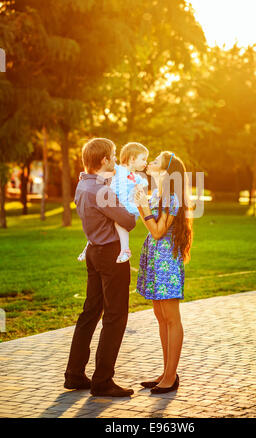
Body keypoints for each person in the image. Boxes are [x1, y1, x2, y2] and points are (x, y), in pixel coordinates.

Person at [64, 138, 136, 397]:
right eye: (114, 156)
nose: (116, 160)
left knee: (90, 312)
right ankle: (103, 380)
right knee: (115, 316)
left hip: (94, 252)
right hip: (110, 255)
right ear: (104, 160)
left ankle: (74, 374)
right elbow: (128, 221)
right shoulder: (101, 192)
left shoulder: (83, 186)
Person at [134, 151, 193, 394]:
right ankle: (166, 372)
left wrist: (144, 207)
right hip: (156, 258)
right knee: (160, 315)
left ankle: (171, 377)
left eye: (156, 161)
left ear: (166, 171)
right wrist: (142, 206)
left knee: (171, 317)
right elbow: (151, 226)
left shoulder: (172, 197)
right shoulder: (160, 193)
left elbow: (157, 231)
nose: (150, 163)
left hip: (166, 261)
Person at [77, 142, 149, 263]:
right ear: (132, 159)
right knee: (120, 224)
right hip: (120, 202)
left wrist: (141, 186)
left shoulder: (135, 176)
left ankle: (90, 245)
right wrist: (83, 175)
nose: (145, 162)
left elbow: (142, 183)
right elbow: (95, 168)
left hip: (123, 203)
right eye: (143, 159)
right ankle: (125, 249)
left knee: (113, 223)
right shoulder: (119, 169)